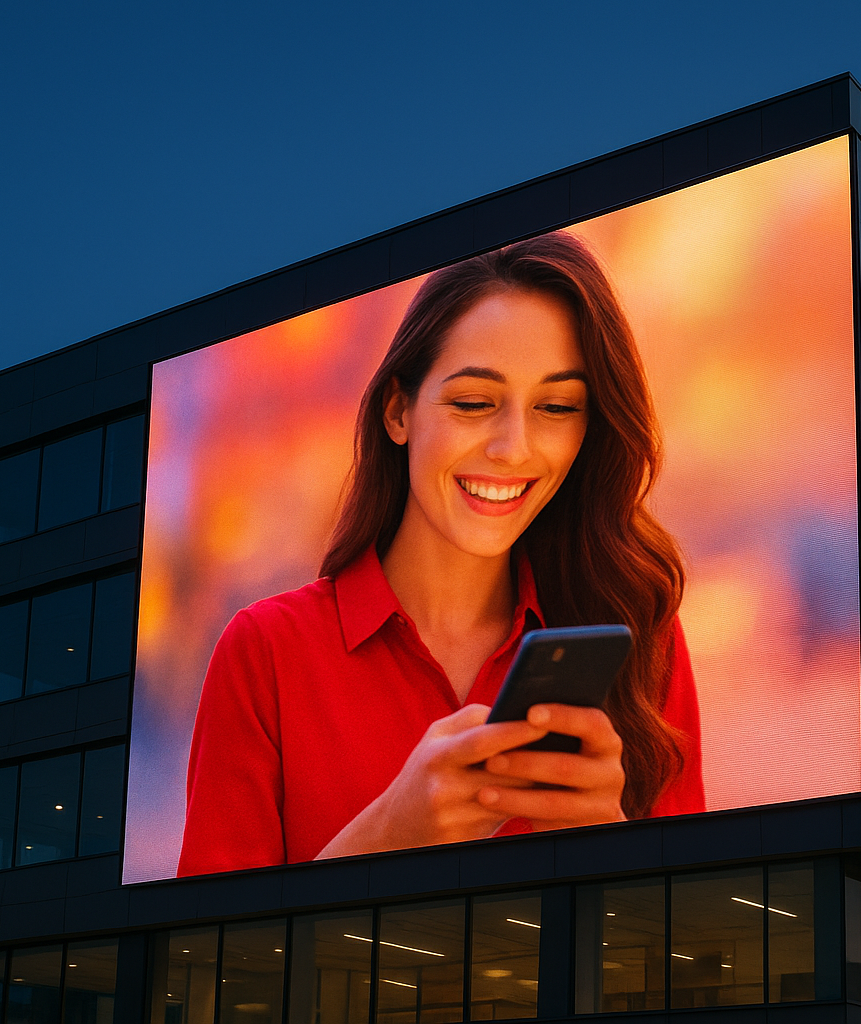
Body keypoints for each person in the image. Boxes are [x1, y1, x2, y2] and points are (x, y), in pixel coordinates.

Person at [176, 231, 704, 875]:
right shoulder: (265, 653)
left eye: (557, 406)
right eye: (474, 403)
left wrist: (611, 838)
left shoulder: (639, 634)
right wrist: (385, 837)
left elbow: (692, 949)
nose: (514, 448)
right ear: (398, 411)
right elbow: (207, 964)